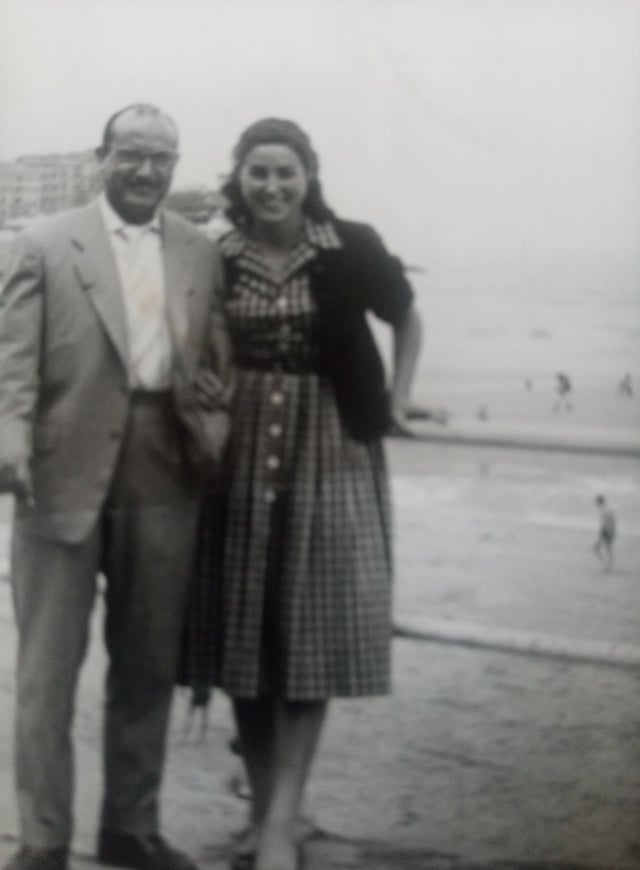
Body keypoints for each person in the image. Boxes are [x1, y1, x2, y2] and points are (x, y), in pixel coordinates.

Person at [182, 117, 427, 870]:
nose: (272, 186)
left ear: (308, 176)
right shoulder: (218, 253)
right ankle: (264, 817)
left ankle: (283, 822)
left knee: (310, 631)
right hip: (241, 449)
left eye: (285, 171)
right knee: (245, 631)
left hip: (331, 444)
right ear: (239, 177)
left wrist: (399, 398)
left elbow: (405, 316)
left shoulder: (350, 244)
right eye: (258, 172)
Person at [0, 104, 231, 870]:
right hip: (59, 469)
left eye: (161, 158)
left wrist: (213, 429)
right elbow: (11, 360)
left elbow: (216, 359)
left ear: (174, 165)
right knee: (46, 672)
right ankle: (42, 841)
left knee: (147, 662)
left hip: (165, 463)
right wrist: (9, 437)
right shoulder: (42, 242)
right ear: (102, 157)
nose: (146, 170)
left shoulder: (199, 250)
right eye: (131, 154)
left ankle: (130, 830)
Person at [593, 494, 616, 572]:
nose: (596, 503)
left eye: (597, 502)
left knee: (600, 549)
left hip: (605, 531)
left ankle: (606, 566)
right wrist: (612, 531)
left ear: (599, 502)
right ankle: (607, 565)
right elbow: (612, 521)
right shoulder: (607, 509)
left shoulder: (604, 510)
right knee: (606, 549)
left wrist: (608, 532)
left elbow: (607, 522)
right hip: (607, 530)